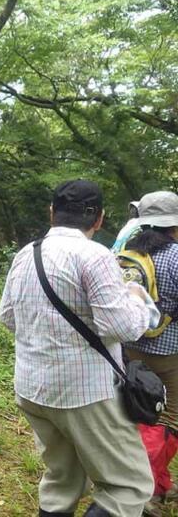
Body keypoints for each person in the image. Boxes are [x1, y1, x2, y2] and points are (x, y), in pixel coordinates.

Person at [0, 179, 155, 517]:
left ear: (51, 212)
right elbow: (122, 327)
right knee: (128, 486)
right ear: (99, 218)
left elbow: (7, 316)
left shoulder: (26, 253)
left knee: (62, 480)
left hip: (32, 388)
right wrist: (138, 301)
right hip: (84, 394)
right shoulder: (95, 256)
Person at [124, 191, 178, 517]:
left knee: (139, 412)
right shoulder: (176, 255)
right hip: (167, 351)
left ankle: (161, 482)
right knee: (168, 418)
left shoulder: (129, 249)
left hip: (131, 347)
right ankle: (144, 489)